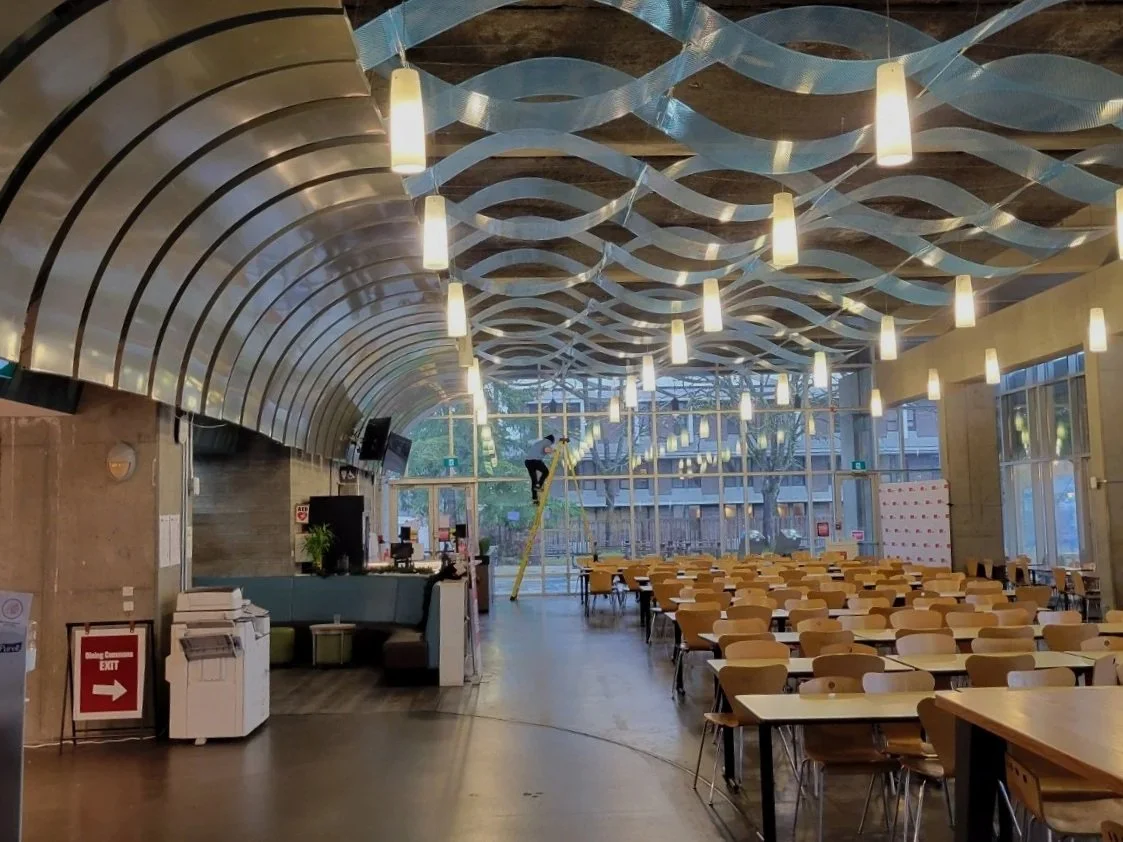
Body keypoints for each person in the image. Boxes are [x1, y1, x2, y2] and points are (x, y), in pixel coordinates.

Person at [524, 434, 556, 504]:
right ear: (551, 441)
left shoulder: (539, 443)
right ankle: (539, 485)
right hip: (535, 460)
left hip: (528, 461)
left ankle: (535, 499)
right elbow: (546, 449)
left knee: (534, 480)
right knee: (546, 472)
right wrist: (554, 451)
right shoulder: (548, 442)